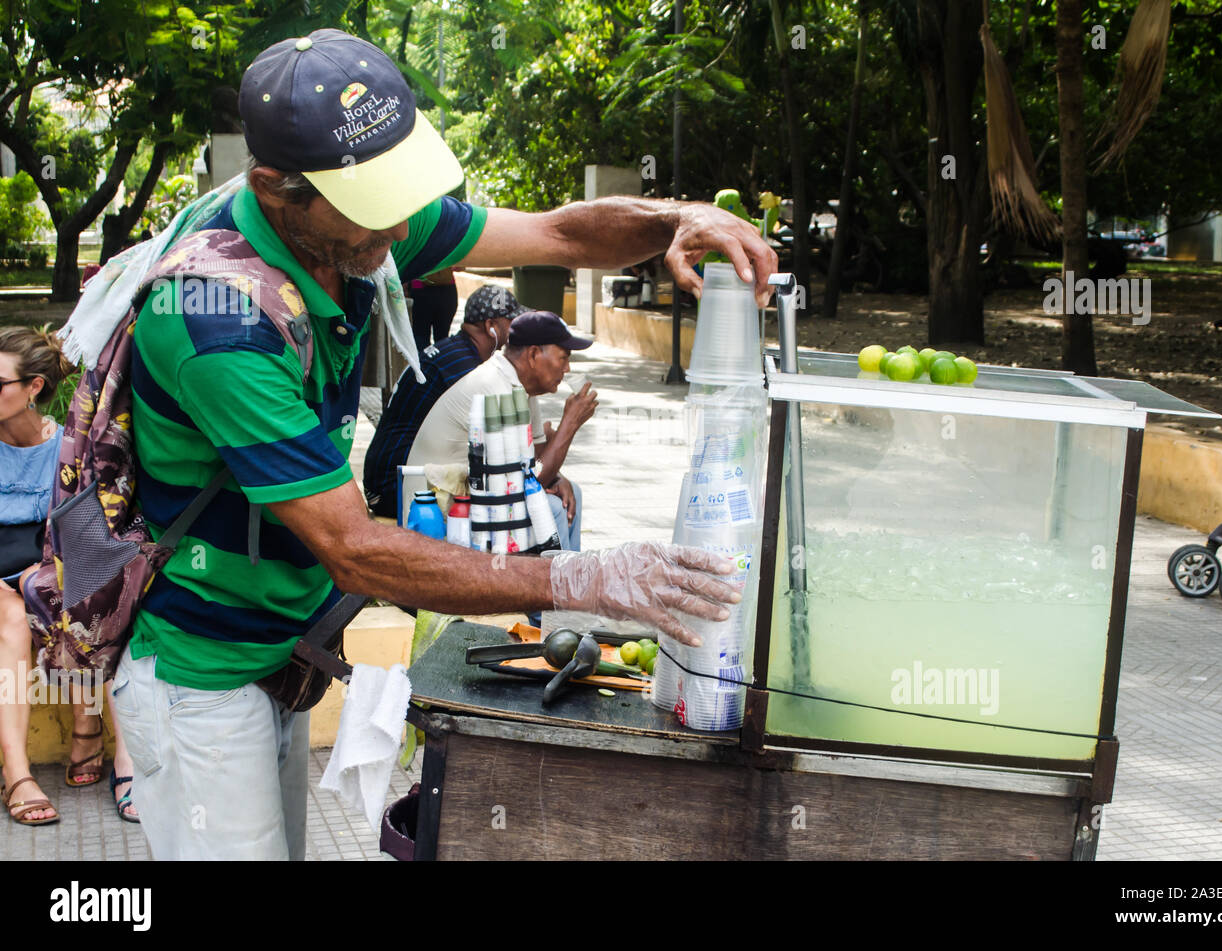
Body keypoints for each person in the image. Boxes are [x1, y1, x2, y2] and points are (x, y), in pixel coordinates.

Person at [111, 28, 775, 860]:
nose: (398, 222)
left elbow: (561, 235)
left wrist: (680, 215)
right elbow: (354, 549)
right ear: (276, 189)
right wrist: (581, 575)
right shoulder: (217, 322)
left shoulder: (362, 223)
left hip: (281, 655)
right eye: (370, 201)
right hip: (200, 677)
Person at [0, 327, 139, 825]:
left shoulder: (65, 447)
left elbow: (86, 531)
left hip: (42, 571)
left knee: (99, 597)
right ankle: (18, 774)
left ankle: (121, 754)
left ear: (33, 388)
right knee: (12, 621)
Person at [407, 310, 596, 551]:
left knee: (571, 493)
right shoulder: (493, 387)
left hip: (479, 495)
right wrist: (569, 423)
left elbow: (534, 463)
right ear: (534, 354)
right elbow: (531, 481)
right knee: (551, 508)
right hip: (441, 512)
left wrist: (559, 477)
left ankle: (572, 581)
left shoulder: (521, 388)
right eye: (563, 358)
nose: (567, 368)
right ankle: (555, 584)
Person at [363, 283, 524, 519]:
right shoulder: (467, 372)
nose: (516, 333)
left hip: (387, 479)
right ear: (491, 327)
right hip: (394, 487)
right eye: (512, 324)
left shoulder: (454, 353)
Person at [408, 268, 460, 350]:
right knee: (442, 339)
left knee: (421, 338)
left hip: (421, 288)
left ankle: (423, 361)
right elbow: (459, 265)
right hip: (446, 289)